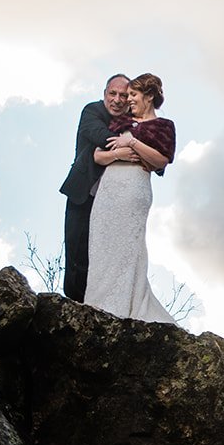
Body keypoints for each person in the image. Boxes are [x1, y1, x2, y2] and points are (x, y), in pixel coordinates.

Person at [83, 73, 178, 322]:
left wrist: (133, 142)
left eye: (134, 95)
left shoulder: (164, 127)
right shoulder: (121, 122)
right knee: (101, 244)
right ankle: (95, 303)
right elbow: (97, 156)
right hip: (108, 189)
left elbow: (160, 161)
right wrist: (120, 154)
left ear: (149, 97)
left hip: (133, 190)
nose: (129, 100)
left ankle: (124, 306)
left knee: (127, 247)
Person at [58, 74, 130, 302]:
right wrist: (128, 146)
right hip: (84, 194)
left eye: (123, 95)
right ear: (105, 93)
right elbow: (101, 137)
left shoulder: (132, 124)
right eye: (113, 93)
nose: (117, 100)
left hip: (113, 202)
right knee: (77, 252)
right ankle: (73, 306)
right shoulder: (92, 111)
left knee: (105, 257)